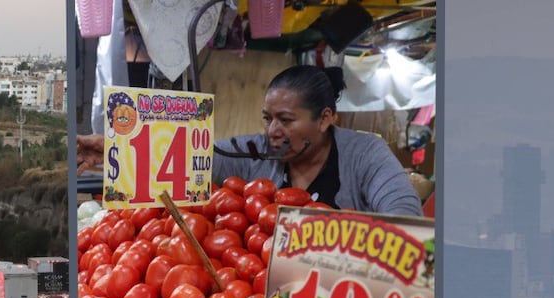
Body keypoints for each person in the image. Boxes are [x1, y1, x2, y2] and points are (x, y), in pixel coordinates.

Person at [76, 65, 424, 217]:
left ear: (325, 119)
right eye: (268, 118)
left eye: (286, 120)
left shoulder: (365, 154)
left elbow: (405, 216)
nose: (273, 130)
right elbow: (191, 160)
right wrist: (113, 149)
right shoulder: (257, 152)